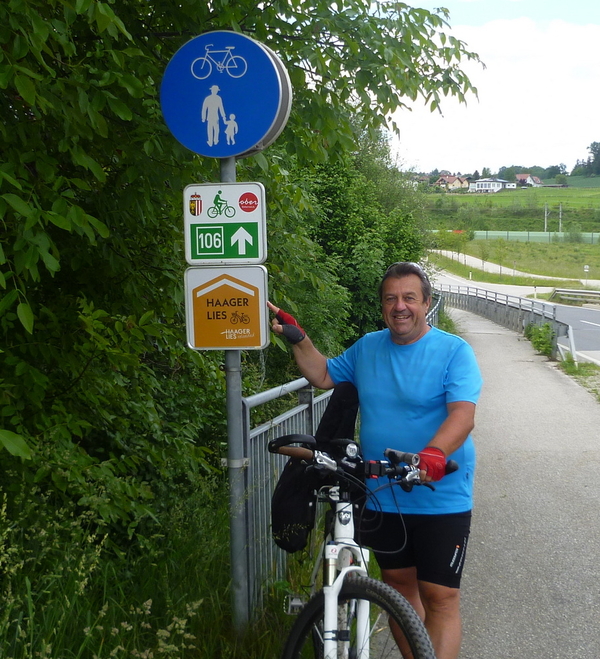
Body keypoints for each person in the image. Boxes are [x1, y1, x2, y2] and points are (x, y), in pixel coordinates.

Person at [267, 262, 482, 659]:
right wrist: (297, 338)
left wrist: (431, 456)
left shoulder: (454, 351)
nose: (400, 306)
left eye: (409, 298)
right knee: (398, 588)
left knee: (440, 597)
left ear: (426, 303)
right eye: (391, 299)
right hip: (382, 490)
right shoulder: (368, 347)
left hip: (440, 490)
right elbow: (325, 374)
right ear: (382, 306)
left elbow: (462, 415)